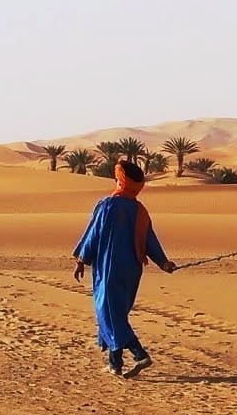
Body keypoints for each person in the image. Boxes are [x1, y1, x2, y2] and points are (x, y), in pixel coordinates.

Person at [73, 160, 177, 378]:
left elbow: (94, 233)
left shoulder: (108, 205)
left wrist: (81, 259)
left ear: (119, 181)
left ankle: (139, 354)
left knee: (108, 314)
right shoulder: (140, 211)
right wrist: (163, 262)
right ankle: (115, 364)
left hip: (109, 268)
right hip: (132, 271)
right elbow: (150, 240)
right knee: (116, 313)